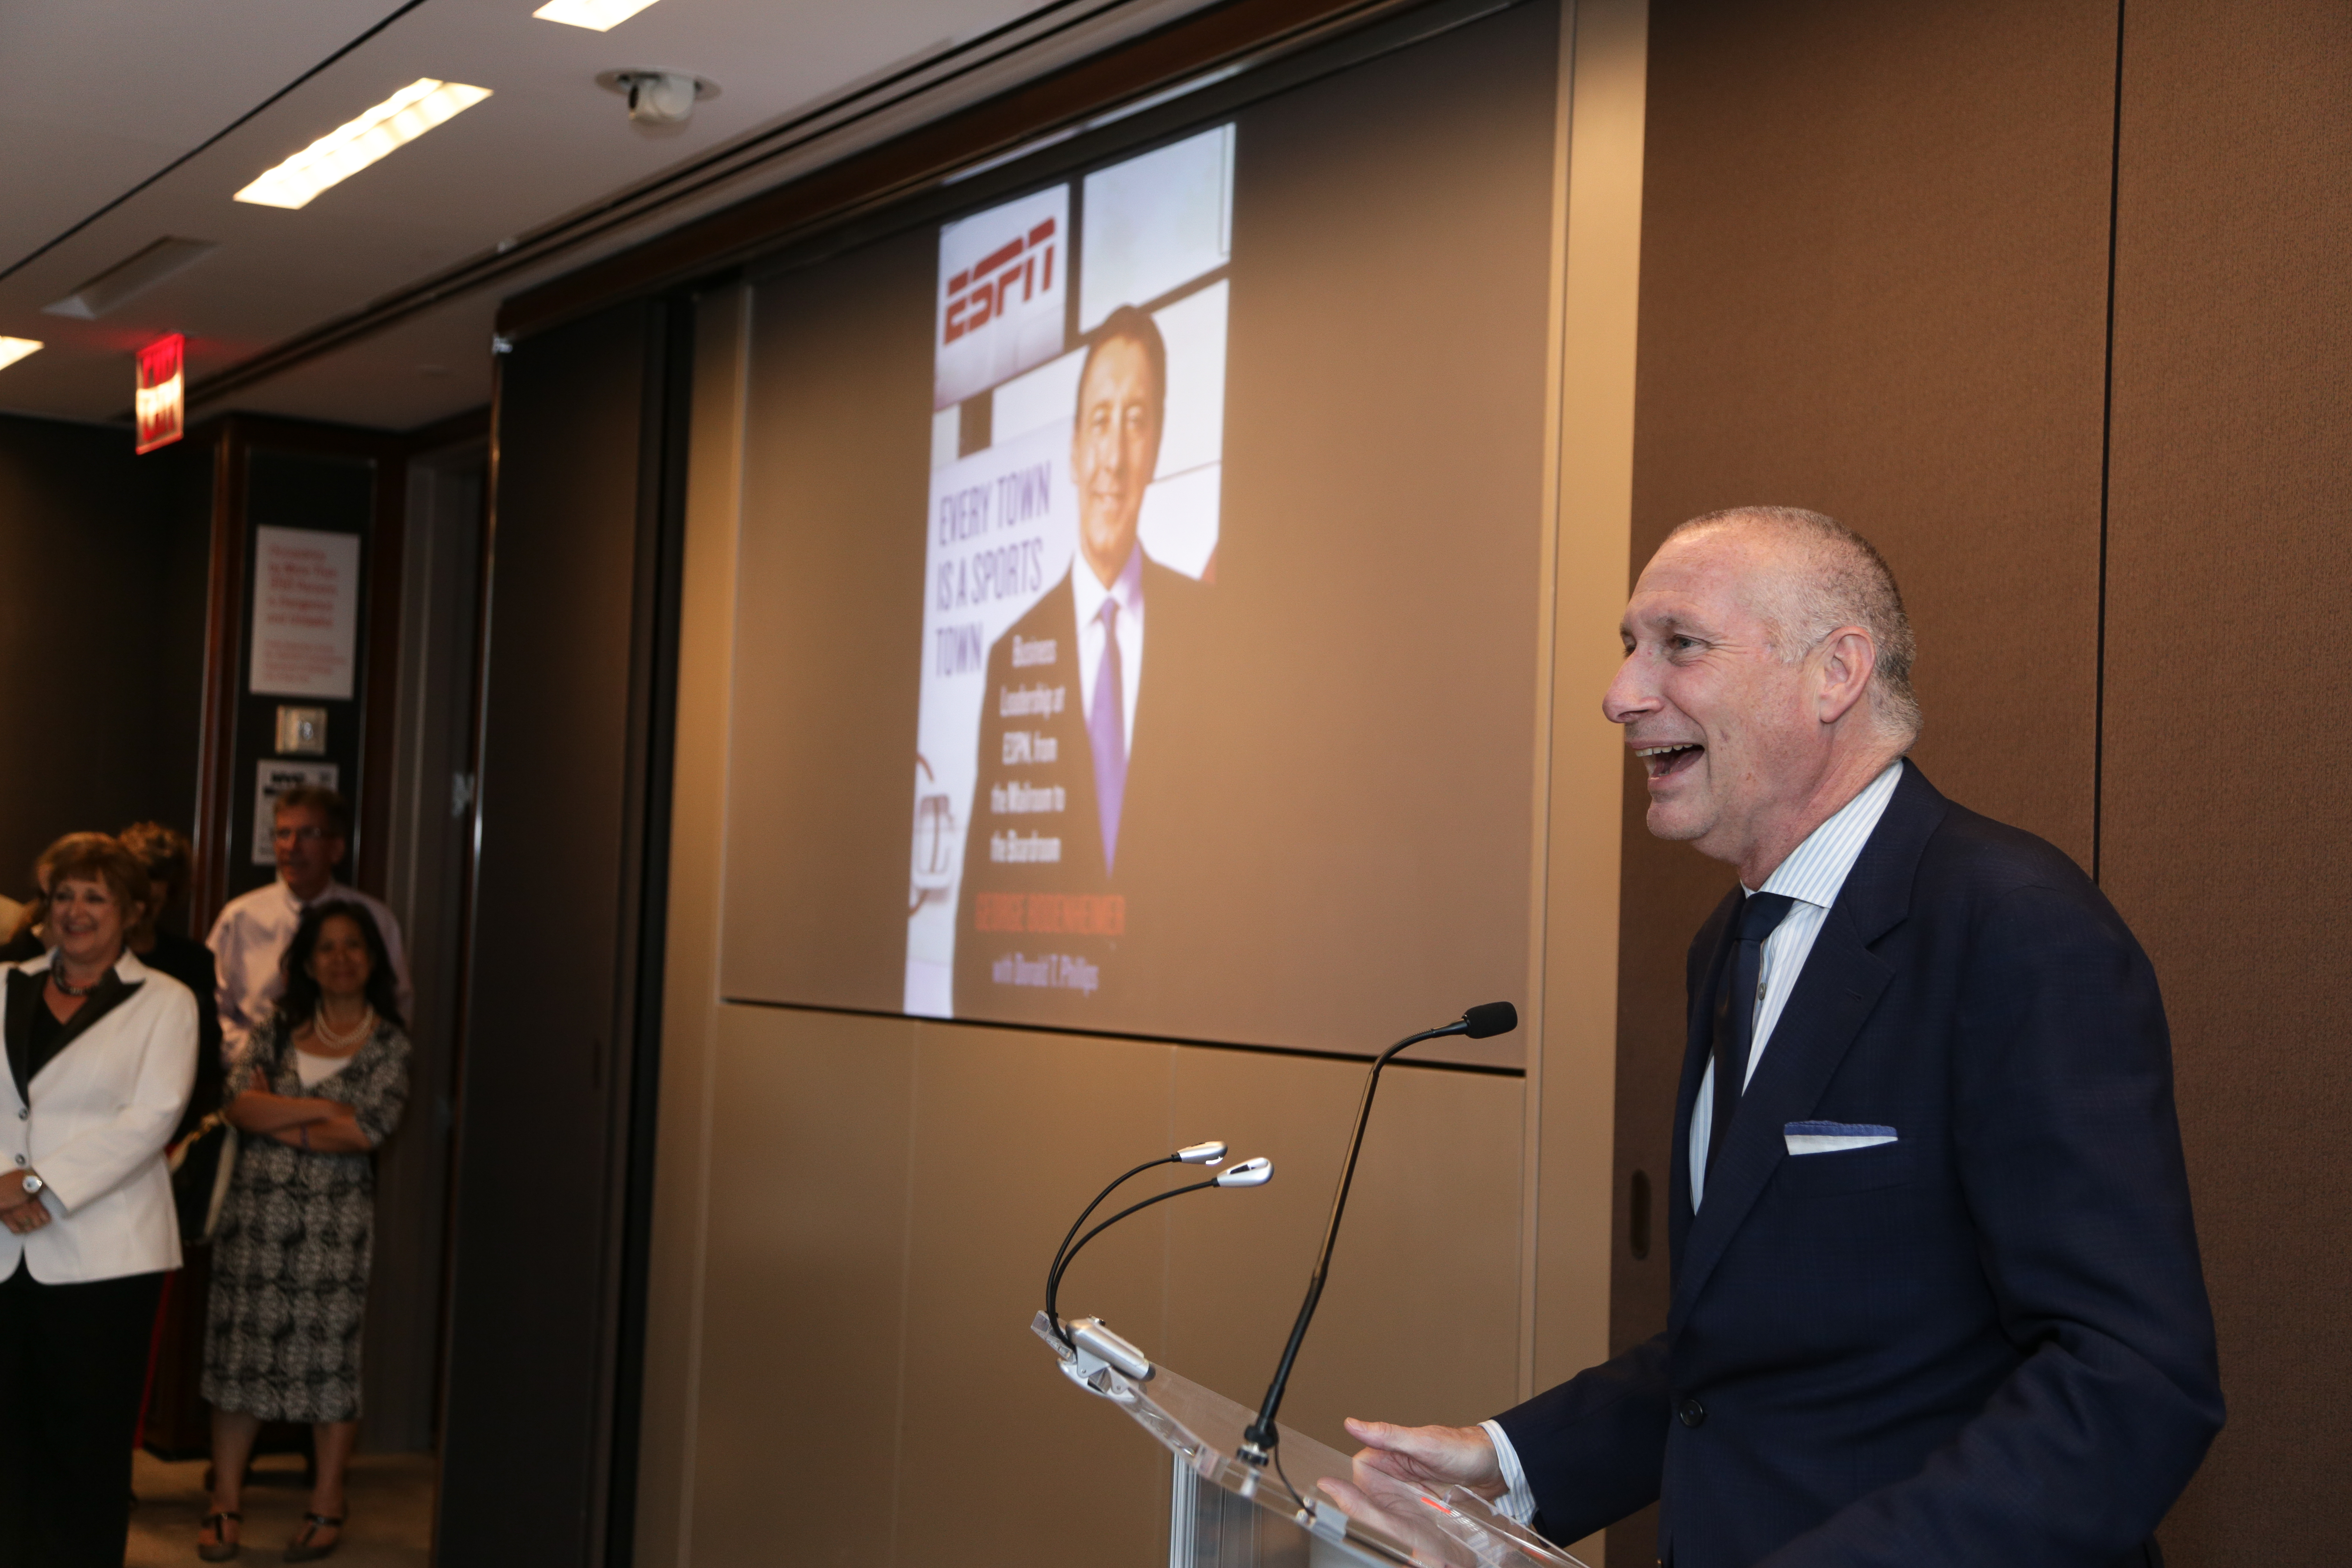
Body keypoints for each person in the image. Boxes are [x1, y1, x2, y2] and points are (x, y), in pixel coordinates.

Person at [1330, 509, 2222, 1567]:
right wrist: (1509, 1459)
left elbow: (2128, 1379)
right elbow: (1742, 1354)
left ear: (1835, 671)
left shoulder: (2014, 925)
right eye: (1628, 647)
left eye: (1680, 644)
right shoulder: (1730, 939)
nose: (1620, 693)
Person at [953, 305, 1216, 1020]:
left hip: (1180, 1045)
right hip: (1043, 1055)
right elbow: (982, 904)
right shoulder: (1013, 655)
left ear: (1157, 444)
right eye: (1100, 420)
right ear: (1072, 451)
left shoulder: (1212, 634)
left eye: (1136, 419)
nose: (1114, 454)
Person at [0, 833, 200, 1566]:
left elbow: (152, 1118)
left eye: (96, 896)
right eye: (63, 895)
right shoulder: (3, 983)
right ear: (44, 909)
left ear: (133, 910)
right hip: (1, 1247)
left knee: (85, 1443)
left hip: (105, 1256)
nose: (76, 911)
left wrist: (37, 1186)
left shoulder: (166, 1001)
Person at [199, 899, 411, 1563]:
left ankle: (327, 1499)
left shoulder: (390, 1043)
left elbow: (368, 1129)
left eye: (354, 946)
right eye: (326, 947)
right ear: (307, 963)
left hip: (335, 1231)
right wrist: (322, 1109)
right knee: (239, 1361)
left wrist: (280, 1115)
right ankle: (224, 1502)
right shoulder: (275, 1026)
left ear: (373, 959)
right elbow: (237, 1103)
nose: (341, 958)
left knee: (330, 1365)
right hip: (253, 1224)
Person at [208, 785, 411, 1063]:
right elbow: (212, 1007)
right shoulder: (240, 917)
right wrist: (255, 1055)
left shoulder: (373, 918)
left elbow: (397, 1004)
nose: (293, 847)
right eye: (283, 834)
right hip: (255, 1069)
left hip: (348, 1068)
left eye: (308, 834)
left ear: (336, 848)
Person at [121, 821, 225, 1145]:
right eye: (135, 898)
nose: (141, 911)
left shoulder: (193, 962)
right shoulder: (90, 960)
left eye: (153, 901)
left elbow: (206, 1051)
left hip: (173, 1121)